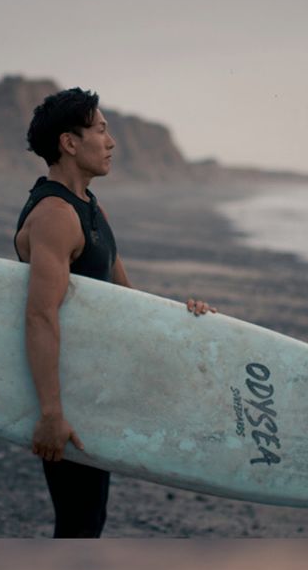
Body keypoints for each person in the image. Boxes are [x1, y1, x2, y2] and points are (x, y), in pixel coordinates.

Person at [13, 87, 215, 537]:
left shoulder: (89, 207)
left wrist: (185, 317)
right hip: (68, 392)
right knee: (79, 521)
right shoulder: (54, 215)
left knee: (89, 519)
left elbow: (125, 300)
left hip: (97, 389)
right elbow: (40, 315)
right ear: (69, 142)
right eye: (101, 130)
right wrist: (50, 413)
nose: (111, 141)